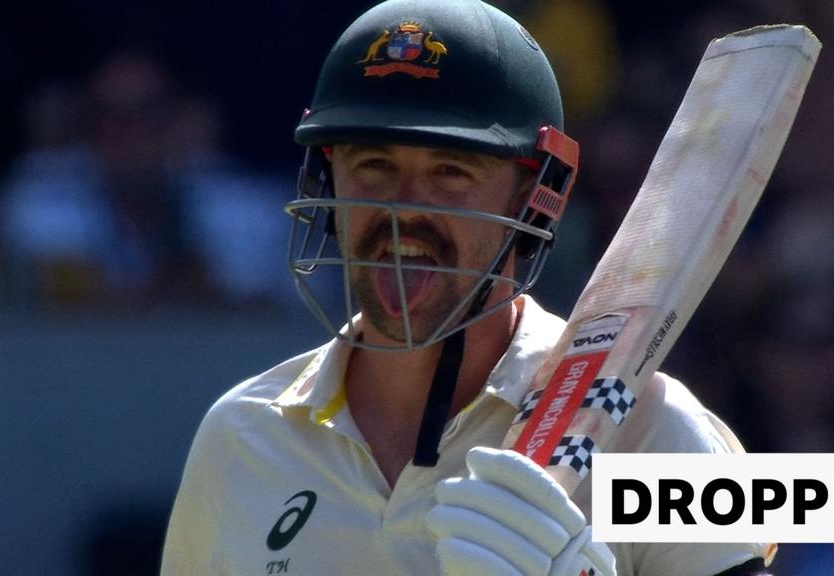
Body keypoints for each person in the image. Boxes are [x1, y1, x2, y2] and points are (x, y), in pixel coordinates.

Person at [162, 1, 776, 574]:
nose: (404, 208)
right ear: (328, 182)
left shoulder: (655, 429)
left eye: (450, 171)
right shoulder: (241, 436)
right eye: (373, 164)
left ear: (536, 200)